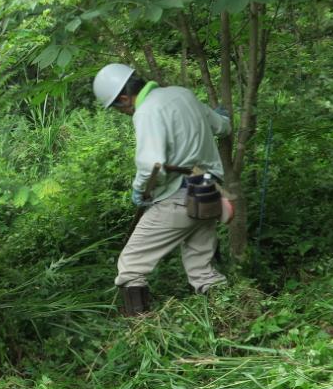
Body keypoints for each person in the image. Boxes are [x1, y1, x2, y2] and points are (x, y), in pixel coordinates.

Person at [93, 64, 232, 315]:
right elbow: (222, 126)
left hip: (178, 198)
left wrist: (140, 190)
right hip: (208, 193)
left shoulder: (146, 111)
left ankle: (140, 330)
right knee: (201, 269)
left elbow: (151, 165)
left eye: (118, 108)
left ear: (124, 98)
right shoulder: (183, 94)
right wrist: (222, 117)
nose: (122, 112)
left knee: (131, 265)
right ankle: (233, 314)